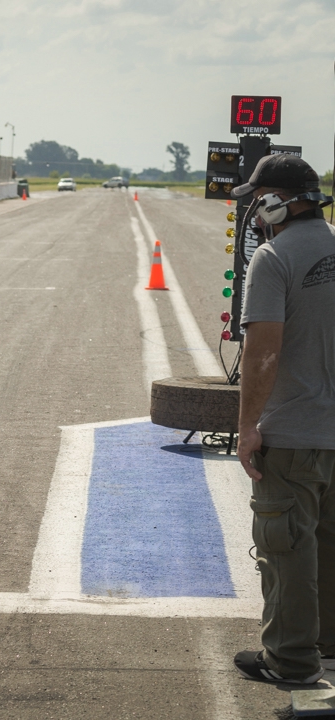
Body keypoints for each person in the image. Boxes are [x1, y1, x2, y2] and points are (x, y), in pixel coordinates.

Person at [232, 153, 335, 685]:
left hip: (295, 433)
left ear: (279, 202)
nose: (253, 211)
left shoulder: (273, 258)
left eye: (257, 200)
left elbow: (263, 352)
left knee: (288, 549)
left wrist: (248, 427)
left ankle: (291, 662)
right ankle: (329, 645)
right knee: (330, 546)